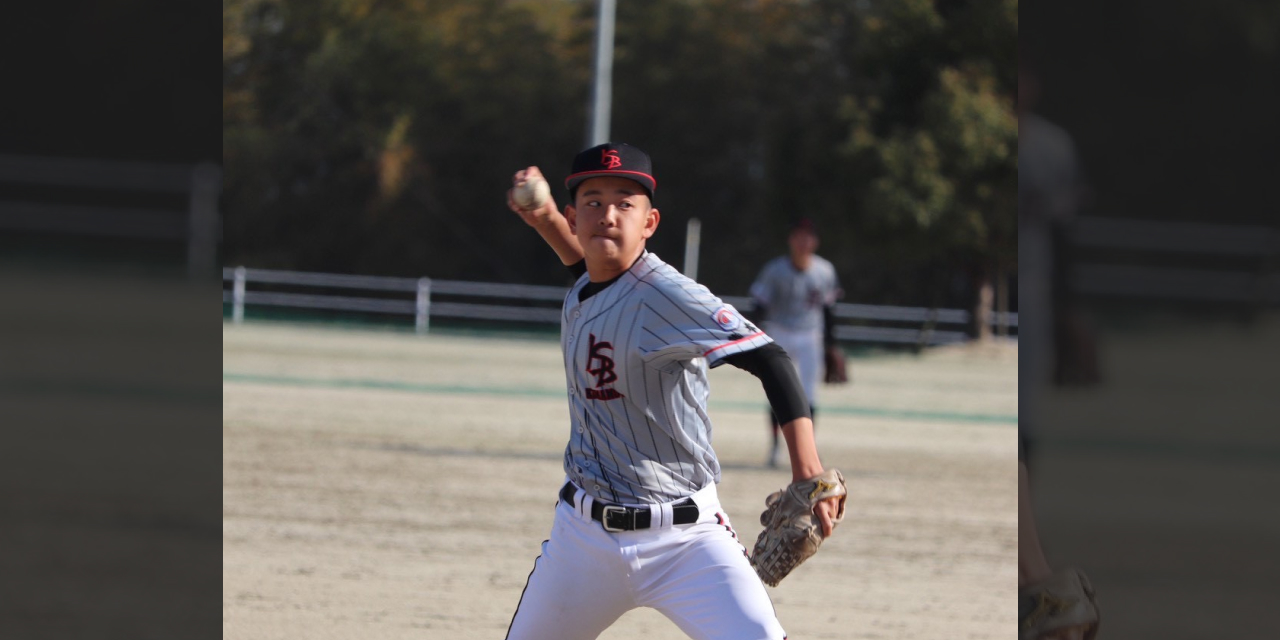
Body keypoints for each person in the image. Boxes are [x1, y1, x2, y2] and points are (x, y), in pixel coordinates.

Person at [503, 142, 841, 640]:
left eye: (625, 203)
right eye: (593, 202)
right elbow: (588, 270)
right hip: (583, 541)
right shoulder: (590, 284)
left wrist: (807, 469)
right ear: (575, 218)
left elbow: (771, 359)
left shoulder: (668, 295)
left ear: (650, 223)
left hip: (686, 539)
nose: (608, 215)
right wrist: (545, 217)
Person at [747, 217, 846, 468]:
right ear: (791, 240)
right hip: (779, 333)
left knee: (809, 395)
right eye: (799, 236)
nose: (804, 241)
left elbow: (828, 310)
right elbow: (758, 307)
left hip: (811, 336)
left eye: (809, 236)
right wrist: (751, 337)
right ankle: (776, 448)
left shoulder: (824, 270)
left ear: (816, 241)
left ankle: (809, 450)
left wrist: (831, 344)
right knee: (778, 390)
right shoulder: (775, 270)